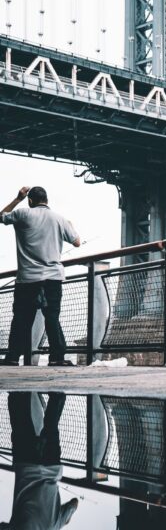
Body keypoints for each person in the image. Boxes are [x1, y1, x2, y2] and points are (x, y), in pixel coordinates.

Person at [0, 187, 81, 366]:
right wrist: (70, 224)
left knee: (21, 318)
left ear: (30, 200)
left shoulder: (22, 214)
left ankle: (13, 357)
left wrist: (17, 198)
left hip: (27, 278)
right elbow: (76, 242)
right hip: (53, 277)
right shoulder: (60, 219)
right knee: (52, 317)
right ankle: (57, 358)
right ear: (47, 199)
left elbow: (1, 216)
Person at [0, 391, 79, 529]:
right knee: (20, 420)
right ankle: (20, 386)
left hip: (51, 468)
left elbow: (74, 503)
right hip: (26, 468)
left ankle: (57, 391)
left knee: (51, 426)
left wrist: (65, 518)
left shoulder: (55, 526)